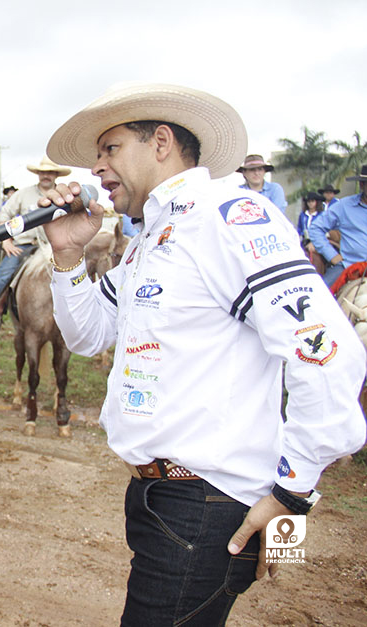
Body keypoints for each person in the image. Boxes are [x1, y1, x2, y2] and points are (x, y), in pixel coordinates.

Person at [42, 82, 365, 625]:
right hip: (161, 498)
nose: (97, 168)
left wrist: (293, 493)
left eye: (110, 149)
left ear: (161, 141)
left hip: (207, 505)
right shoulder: (155, 236)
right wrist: (68, 254)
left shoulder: (227, 215)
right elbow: (89, 334)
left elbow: (326, 351)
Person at [0, 156, 71, 340]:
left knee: (75, 275)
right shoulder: (23, 194)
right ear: (38, 174)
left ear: (55, 175)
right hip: (24, 246)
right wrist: (6, 241)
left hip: (54, 248)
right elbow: (5, 213)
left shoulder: (65, 196)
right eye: (43, 172)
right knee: (2, 276)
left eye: (50, 172)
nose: (46, 175)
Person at [310, 165, 367, 288]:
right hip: (350, 266)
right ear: (362, 185)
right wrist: (332, 255)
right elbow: (315, 228)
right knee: (321, 294)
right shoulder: (344, 206)